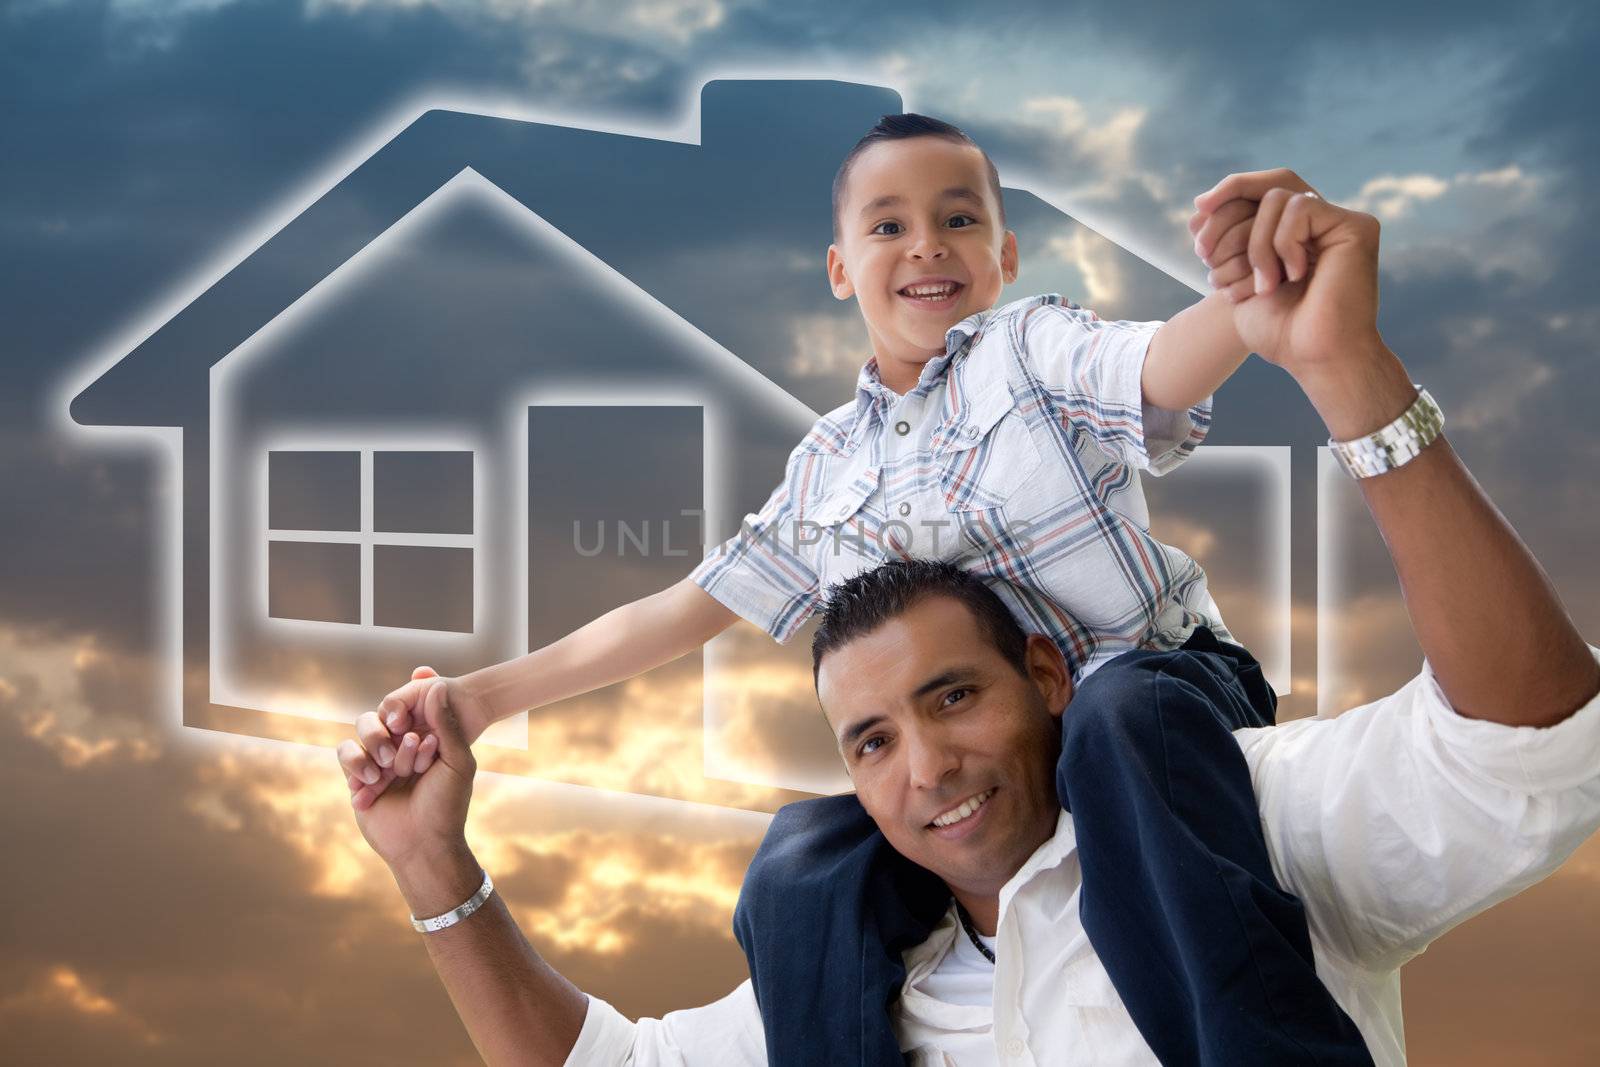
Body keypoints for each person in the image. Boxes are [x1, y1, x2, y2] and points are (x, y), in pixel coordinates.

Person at [338, 171, 1600, 1065]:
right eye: (870, 736)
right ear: (839, 269)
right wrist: (467, 737)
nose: (922, 759)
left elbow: (1528, 747)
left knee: (1123, 719)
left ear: (1002, 258)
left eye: (950, 697)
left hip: (1163, 708)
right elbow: (673, 613)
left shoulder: (1030, 359)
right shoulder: (828, 475)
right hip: (1063, 733)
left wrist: (1295, 327)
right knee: (796, 858)